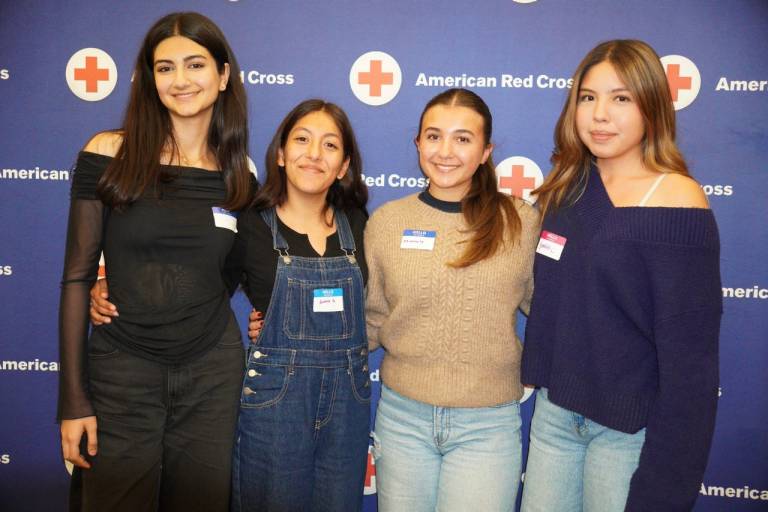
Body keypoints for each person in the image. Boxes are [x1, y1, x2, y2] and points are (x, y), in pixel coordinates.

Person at [58, 12, 252, 511]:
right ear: (149, 79)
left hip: (212, 372)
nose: (181, 80)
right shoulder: (108, 152)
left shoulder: (240, 172)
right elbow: (78, 276)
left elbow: (230, 271)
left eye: (195, 64)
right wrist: (73, 402)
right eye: (165, 68)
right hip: (123, 371)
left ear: (223, 75)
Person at [519, 40, 721, 512]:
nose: (599, 115)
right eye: (588, 98)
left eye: (621, 98)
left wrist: (664, 489)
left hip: (627, 433)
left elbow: (692, 371)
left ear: (651, 106)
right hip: (555, 419)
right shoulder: (568, 190)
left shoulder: (677, 200)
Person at [365, 88, 540, 511]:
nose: (445, 151)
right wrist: (284, 329)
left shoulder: (520, 221)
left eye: (463, 139)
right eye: (433, 136)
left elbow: (550, 312)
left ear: (486, 151)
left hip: (488, 424)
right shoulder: (387, 221)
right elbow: (370, 319)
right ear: (418, 143)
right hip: (402, 419)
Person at [229, 99, 371, 512]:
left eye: (330, 145)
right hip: (276, 400)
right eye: (302, 140)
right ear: (280, 154)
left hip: (349, 401)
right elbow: (203, 292)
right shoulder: (250, 225)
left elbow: (378, 304)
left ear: (344, 165)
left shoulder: (360, 223)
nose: (313, 154)